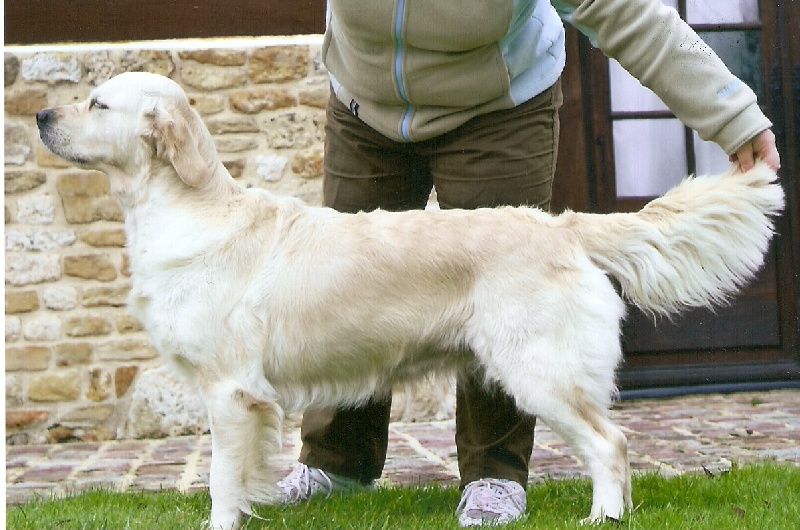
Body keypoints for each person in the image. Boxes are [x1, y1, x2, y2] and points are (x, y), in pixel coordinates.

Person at [277, 0, 781, 526]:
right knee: (345, 286)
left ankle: (494, 474)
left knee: (506, 296)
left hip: (496, 107)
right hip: (365, 104)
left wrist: (731, 111)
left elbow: (628, 13)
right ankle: (334, 464)